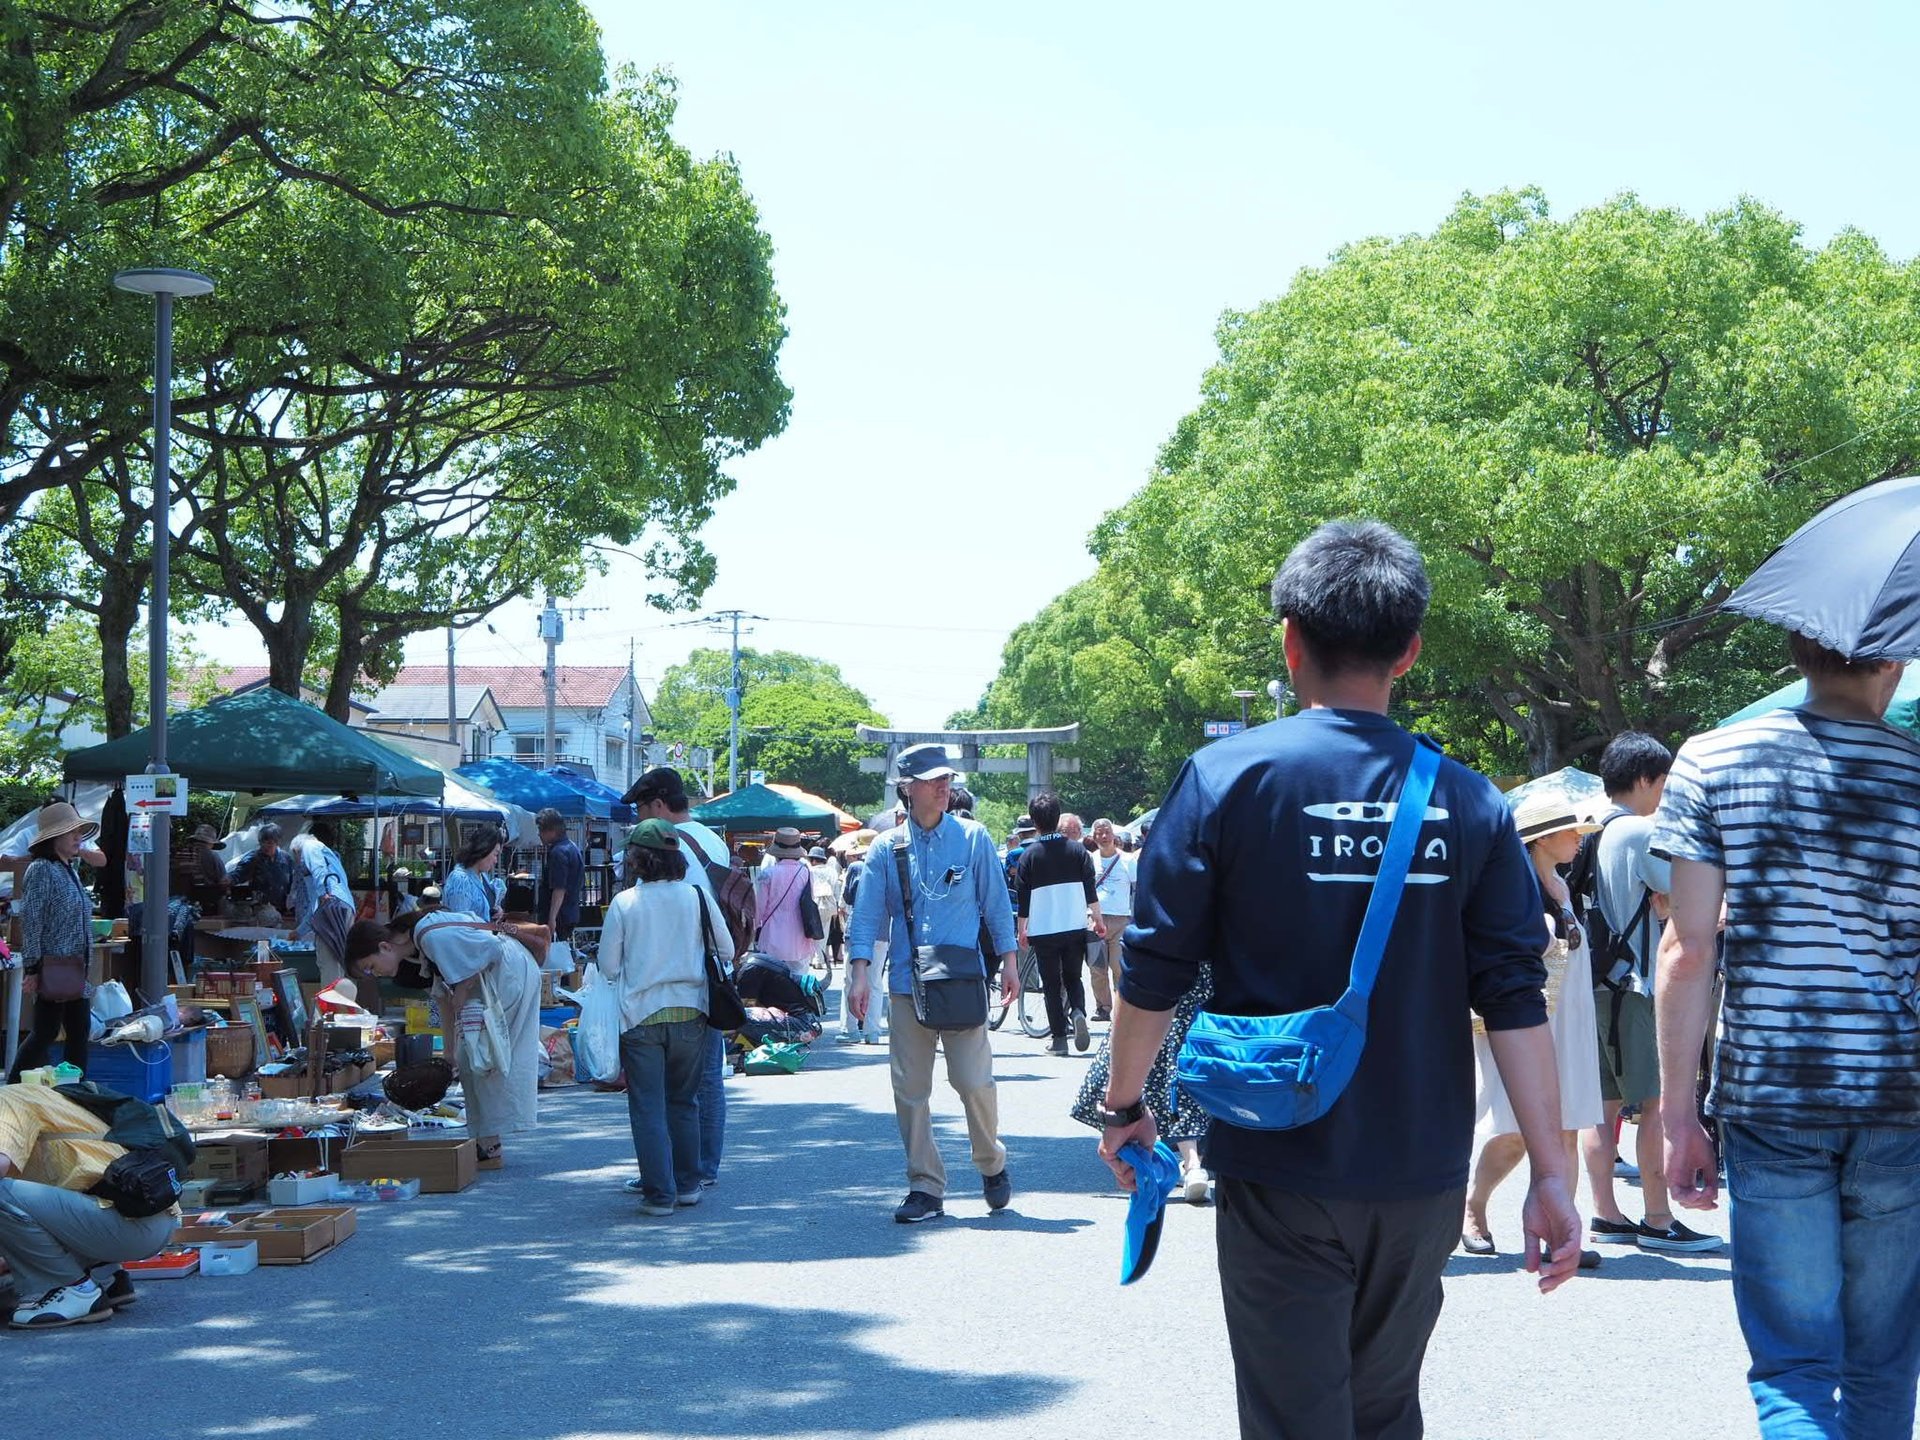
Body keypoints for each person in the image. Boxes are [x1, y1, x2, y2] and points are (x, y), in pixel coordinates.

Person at [1097, 520, 1580, 1440]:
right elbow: (1515, 994)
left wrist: (1127, 1107)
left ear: (1289, 642)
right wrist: (1551, 1176)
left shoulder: (1226, 778)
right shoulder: (1469, 799)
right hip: (1421, 1167)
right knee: (1386, 1409)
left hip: (1276, 1156)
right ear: (1410, 649)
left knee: (1294, 1418)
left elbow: (1152, 967)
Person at [1654, 630, 1920, 1437]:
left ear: (1800, 649)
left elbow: (1688, 949)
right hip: (1899, 1096)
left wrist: (1677, 1112)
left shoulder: (1711, 759)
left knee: (1795, 1368)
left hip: (1770, 1098)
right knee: (1882, 1358)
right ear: (1894, 660)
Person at [846, 743, 1019, 1223]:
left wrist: (1008, 960)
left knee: (972, 1080)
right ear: (908, 788)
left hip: (962, 980)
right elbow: (867, 916)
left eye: (947, 779)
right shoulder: (886, 846)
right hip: (906, 981)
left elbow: (996, 903)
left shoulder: (974, 837)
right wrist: (859, 972)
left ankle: (991, 1162)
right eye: (933, 779)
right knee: (910, 1088)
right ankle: (925, 1186)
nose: (945, 786)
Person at [1578, 731, 1721, 1255]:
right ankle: (1658, 1220)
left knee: (1604, 1105)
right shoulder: (1639, 831)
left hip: (1594, 982)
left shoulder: (1591, 826)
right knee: (1658, 1104)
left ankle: (1606, 1214)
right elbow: (1681, 895)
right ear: (1645, 779)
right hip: (1635, 986)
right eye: (1663, 782)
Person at [1461, 796, 1605, 1269]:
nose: (1578, 842)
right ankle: (1473, 1206)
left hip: (1571, 1018)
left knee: (1567, 1127)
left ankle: (1562, 1230)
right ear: (1543, 838)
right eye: (1571, 834)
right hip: (1530, 1021)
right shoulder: (1515, 889)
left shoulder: (1563, 884)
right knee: (1515, 1130)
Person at [596, 819, 730, 1215]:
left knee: (647, 1106)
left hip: (640, 1016)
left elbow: (607, 966)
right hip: (692, 1011)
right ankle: (688, 1184)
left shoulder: (625, 903)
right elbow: (724, 948)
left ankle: (659, 1194)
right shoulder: (696, 896)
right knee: (684, 1101)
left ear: (637, 860)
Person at [344, 909, 542, 1168]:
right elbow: (442, 999)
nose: (375, 974)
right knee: (470, 1060)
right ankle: (486, 1143)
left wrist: (463, 988)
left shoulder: (428, 937)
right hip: (502, 978)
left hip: (509, 977)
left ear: (384, 946)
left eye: (370, 967)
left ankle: (489, 1144)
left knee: (482, 1060)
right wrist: (449, 1052)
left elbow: (491, 946)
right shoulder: (421, 949)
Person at [622, 766, 733, 1189]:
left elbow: (668, 917)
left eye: (641, 809)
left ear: (658, 804)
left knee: (671, 1086)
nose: (639, 820)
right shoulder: (713, 841)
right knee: (706, 1077)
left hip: (672, 980)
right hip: (711, 975)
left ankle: (677, 1172)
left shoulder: (671, 849)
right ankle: (701, 1167)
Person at [0, 1084, 176, 1329]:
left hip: (125, 1225)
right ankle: (105, 1277)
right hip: (149, 1216)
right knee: (29, 1198)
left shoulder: (5, 1101)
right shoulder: (36, 1093)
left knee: (2, 1193)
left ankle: (68, 1289)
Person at [4, 803, 99, 1083]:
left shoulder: (69, 868)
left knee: (79, 1029)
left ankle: (74, 1090)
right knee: (46, 1031)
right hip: (53, 965)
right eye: (71, 832)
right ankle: (11, 1088)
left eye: (78, 832)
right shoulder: (41, 869)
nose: (77, 837)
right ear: (53, 838)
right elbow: (32, 921)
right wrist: (33, 968)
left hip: (75, 965)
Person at [1015, 793, 1105, 1057]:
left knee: (1051, 983)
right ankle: (1078, 1010)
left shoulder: (1029, 856)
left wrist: (1022, 930)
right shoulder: (1078, 851)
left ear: (1034, 821)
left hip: (1043, 929)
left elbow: (1023, 900)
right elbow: (1091, 892)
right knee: (1073, 976)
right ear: (1058, 817)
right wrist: (1097, 920)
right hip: (1074, 924)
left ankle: (1059, 1039)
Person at [288, 824, 354, 986]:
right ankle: (341, 1005)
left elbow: (318, 868)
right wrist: (300, 931)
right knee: (338, 960)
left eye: (297, 860)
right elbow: (314, 908)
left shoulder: (310, 846)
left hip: (332, 906)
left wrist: (323, 890)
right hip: (343, 907)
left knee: (328, 962)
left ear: (297, 851)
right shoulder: (328, 857)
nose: (300, 866)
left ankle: (331, 1008)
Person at [835, 838, 885, 1044]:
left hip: (857, 928)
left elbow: (847, 897)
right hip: (883, 929)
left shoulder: (855, 868)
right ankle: (872, 1031)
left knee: (851, 980)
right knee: (875, 981)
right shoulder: (885, 863)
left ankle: (850, 1029)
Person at [1087, 817, 1135, 1021]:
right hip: (1094, 920)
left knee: (1119, 966)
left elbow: (1137, 889)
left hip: (1120, 920)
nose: (1103, 836)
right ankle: (1103, 1007)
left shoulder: (1128, 860)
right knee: (1096, 968)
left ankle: (1123, 1007)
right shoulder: (1090, 860)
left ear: (1113, 835)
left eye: (1106, 831)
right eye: (1099, 832)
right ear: (1093, 837)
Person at [751, 828, 817, 977]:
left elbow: (759, 908)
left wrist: (754, 929)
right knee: (800, 979)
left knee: (773, 982)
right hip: (801, 935)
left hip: (773, 935)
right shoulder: (806, 872)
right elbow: (810, 902)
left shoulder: (768, 874)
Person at [535, 808, 584, 953]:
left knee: (554, 961)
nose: (539, 834)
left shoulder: (558, 852)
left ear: (551, 830)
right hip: (570, 912)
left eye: (541, 830)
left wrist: (552, 918)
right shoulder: (573, 847)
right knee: (563, 957)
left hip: (559, 916)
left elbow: (559, 888)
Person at [227, 821, 294, 920]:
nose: (265, 846)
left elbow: (293, 884)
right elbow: (237, 875)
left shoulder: (286, 859)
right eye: (263, 842)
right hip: (259, 910)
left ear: (277, 842)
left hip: (282, 910)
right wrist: (227, 880)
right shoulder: (252, 858)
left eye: (270, 843)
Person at [442, 826, 505, 921]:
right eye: (495, 854)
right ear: (483, 850)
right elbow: (460, 925)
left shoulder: (481, 875)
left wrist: (496, 910)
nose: (496, 861)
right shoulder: (460, 880)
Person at [184, 823, 229, 917]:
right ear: (211, 843)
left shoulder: (181, 853)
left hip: (183, 902)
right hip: (208, 902)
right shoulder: (213, 856)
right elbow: (223, 881)